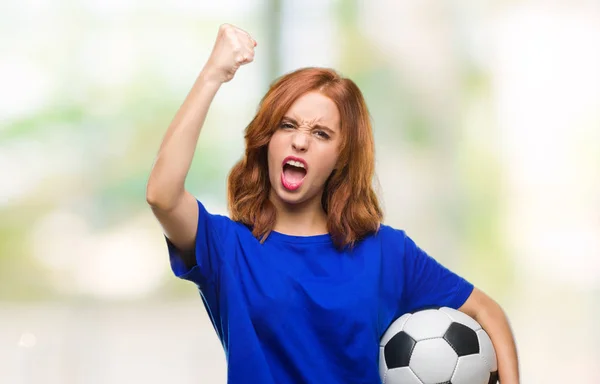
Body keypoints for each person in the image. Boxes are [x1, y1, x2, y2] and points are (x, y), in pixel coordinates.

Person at [146, 23, 520, 384]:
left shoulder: (387, 252)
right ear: (267, 140)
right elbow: (162, 195)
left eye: (321, 133)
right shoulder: (226, 247)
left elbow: (488, 312)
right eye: (287, 126)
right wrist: (214, 73)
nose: (300, 142)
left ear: (342, 157)